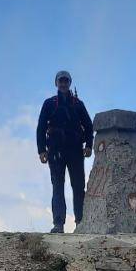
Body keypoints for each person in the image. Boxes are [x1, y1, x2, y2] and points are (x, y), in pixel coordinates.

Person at [37, 71, 93, 233]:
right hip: (55, 150)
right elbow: (41, 127)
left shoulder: (78, 104)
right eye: (60, 81)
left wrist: (89, 145)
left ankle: (81, 223)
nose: (63, 84)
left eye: (66, 81)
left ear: (69, 83)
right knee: (58, 186)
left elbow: (89, 126)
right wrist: (41, 150)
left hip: (75, 150)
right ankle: (58, 224)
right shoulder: (49, 103)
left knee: (78, 186)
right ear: (56, 83)